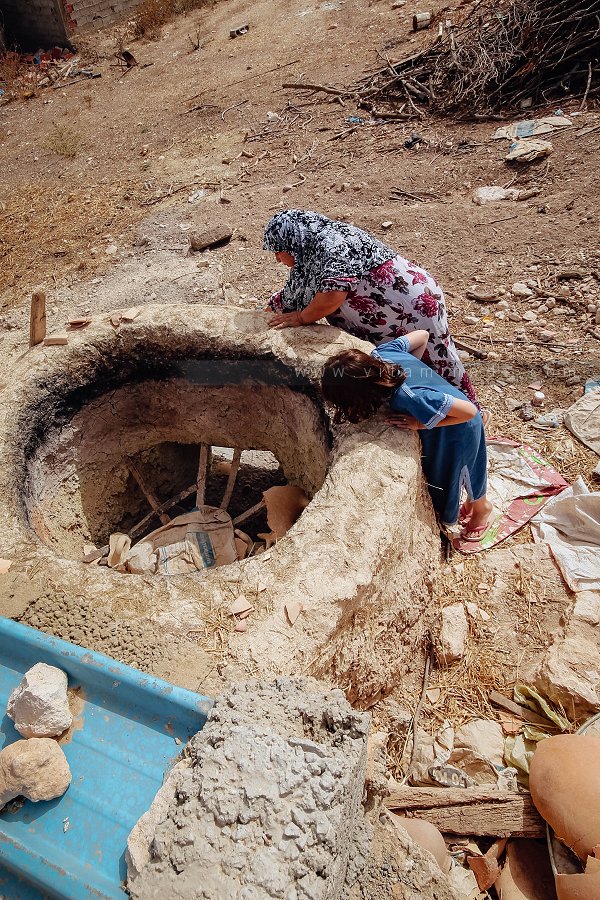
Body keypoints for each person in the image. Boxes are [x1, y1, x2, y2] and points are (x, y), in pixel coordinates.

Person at [263, 208, 478, 404]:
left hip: (411, 307)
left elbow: (332, 296)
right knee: (403, 368)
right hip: (385, 316)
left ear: (293, 243)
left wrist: (301, 318)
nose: (277, 259)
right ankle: (431, 418)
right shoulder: (309, 250)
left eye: (278, 252)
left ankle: (469, 416)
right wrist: (268, 313)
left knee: (438, 362)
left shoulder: (332, 244)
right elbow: (298, 288)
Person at [321, 330, 493, 539]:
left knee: (463, 467)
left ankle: (482, 507)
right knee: (456, 469)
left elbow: (469, 412)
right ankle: (470, 502)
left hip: (461, 426)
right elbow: (422, 335)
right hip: (450, 414)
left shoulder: (411, 397)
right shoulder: (383, 354)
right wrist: (414, 368)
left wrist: (421, 423)